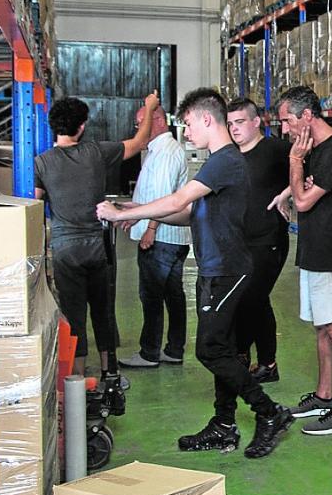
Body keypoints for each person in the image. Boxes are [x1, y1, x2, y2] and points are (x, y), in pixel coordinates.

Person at [97, 88, 293, 458]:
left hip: (226, 270)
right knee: (228, 350)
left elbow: (179, 200)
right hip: (217, 267)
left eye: (187, 124)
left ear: (206, 119)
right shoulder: (218, 162)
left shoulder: (224, 161)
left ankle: (269, 412)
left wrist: (122, 214)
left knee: (209, 350)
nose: (186, 133)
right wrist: (142, 210)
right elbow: (189, 214)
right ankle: (224, 425)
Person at [34, 93, 160, 415]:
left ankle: (77, 383)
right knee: (102, 312)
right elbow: (141, 140)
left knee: (74, 317)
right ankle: (110, 375)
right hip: (96, 246)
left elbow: (35, 206)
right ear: (82, 126)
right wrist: (149, 107)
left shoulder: (41, 163)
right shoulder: (96, 152)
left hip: (64, 250)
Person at [276, 85, 332, 436]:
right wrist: (290, 187)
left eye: (287, 121)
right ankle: (325, 394)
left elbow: (303, 202)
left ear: (307, 116)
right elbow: (301, 191)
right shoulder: (317, 150)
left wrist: (295, 165)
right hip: (315, 249)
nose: (285, 130)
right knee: (322, 326)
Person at [120, 103, 191, 369]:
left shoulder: (165, 153)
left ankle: (149, 353)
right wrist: (135, 213)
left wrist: (149, 229)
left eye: (142, 122)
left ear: (159, 120)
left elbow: (164, 199)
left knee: (151, 297)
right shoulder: (159, 150)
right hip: (170, 237)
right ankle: (173, 349)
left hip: (161, 238)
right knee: (173, 296)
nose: (139, 129)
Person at [227, 98, 292, 384]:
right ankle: (253, 359)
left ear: (256, 123)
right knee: (248, 299)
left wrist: (288, 193)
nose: (234, 129)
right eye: (230, 124)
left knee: (252, 298)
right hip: (239, 242)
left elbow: (314, 166)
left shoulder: (276, 150)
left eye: (240, 122)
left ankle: (261, 360)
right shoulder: (231, 155)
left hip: (269, 240)